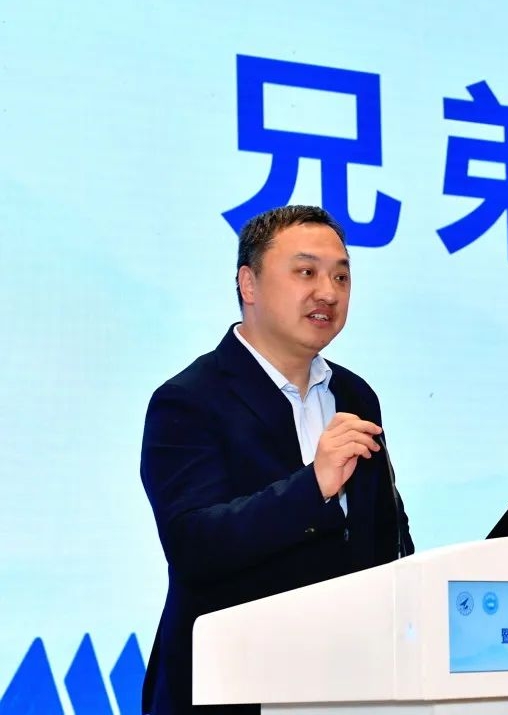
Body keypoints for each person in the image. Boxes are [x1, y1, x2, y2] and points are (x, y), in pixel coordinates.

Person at [139, 205, 414, 714]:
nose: (328, 292)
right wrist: (314, 486)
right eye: (306, 272)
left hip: (350, 688)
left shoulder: (355, 395)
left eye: (341, 276)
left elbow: (386, 538)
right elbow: (194, 545)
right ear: (249, 283)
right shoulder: (189, 400)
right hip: (229, 690)